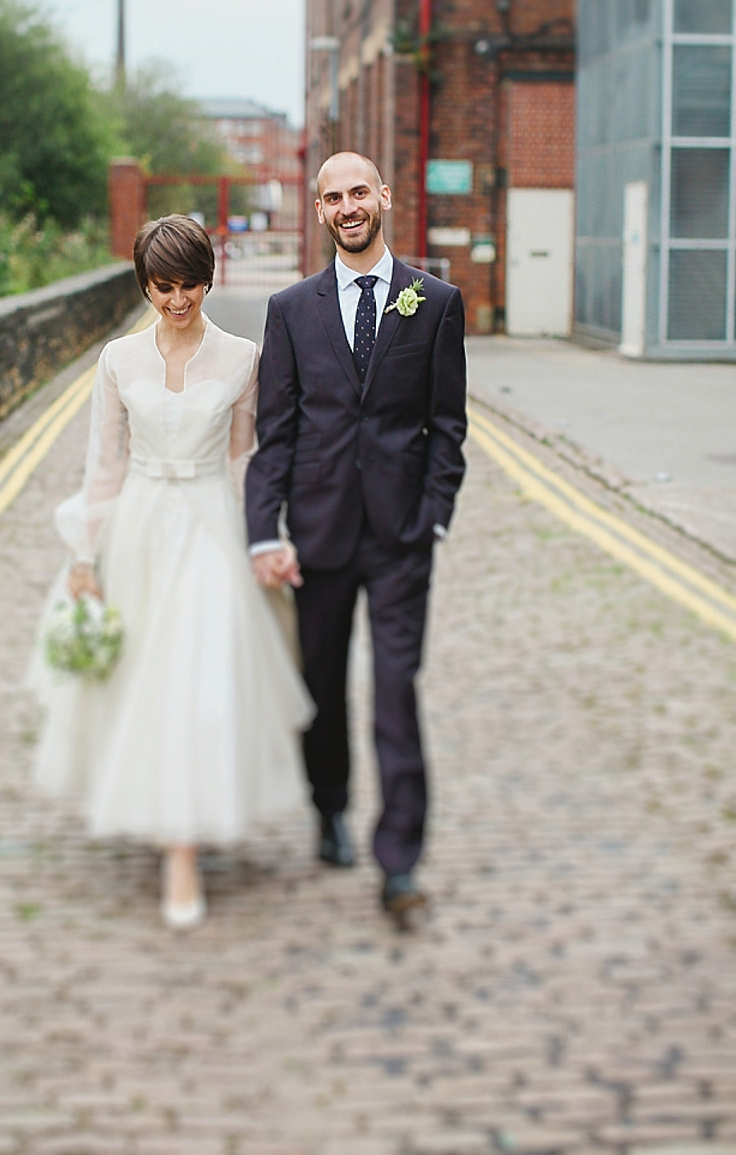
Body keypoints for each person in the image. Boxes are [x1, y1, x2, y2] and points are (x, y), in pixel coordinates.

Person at [29, 214, 312, 931]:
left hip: (213, 525)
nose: (178, 300)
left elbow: (251, 461)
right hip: (140, 527)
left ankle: (182, 850)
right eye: (163, 287)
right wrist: (85, 556)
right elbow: (102, 466)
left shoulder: (245, 356)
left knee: (200, 677)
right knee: (146, 681)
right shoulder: (117, 361)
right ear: (144, 284)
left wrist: (264, 541)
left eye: (189, 286)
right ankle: (163, 814)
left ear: (207, 281)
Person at [245, 151, 467, 922]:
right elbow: (275, 436)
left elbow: (448, 427)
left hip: (402, 534)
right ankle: (329, 806)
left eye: (359, 193)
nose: (347, 206)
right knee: (324, 688)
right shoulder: (290, 310)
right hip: (319, 532)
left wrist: (433, 515)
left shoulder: (433, 302)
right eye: (332, 196)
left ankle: (399, 862)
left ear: (384, 198)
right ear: (318, 210)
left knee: (396, 692)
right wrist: (260, 533)